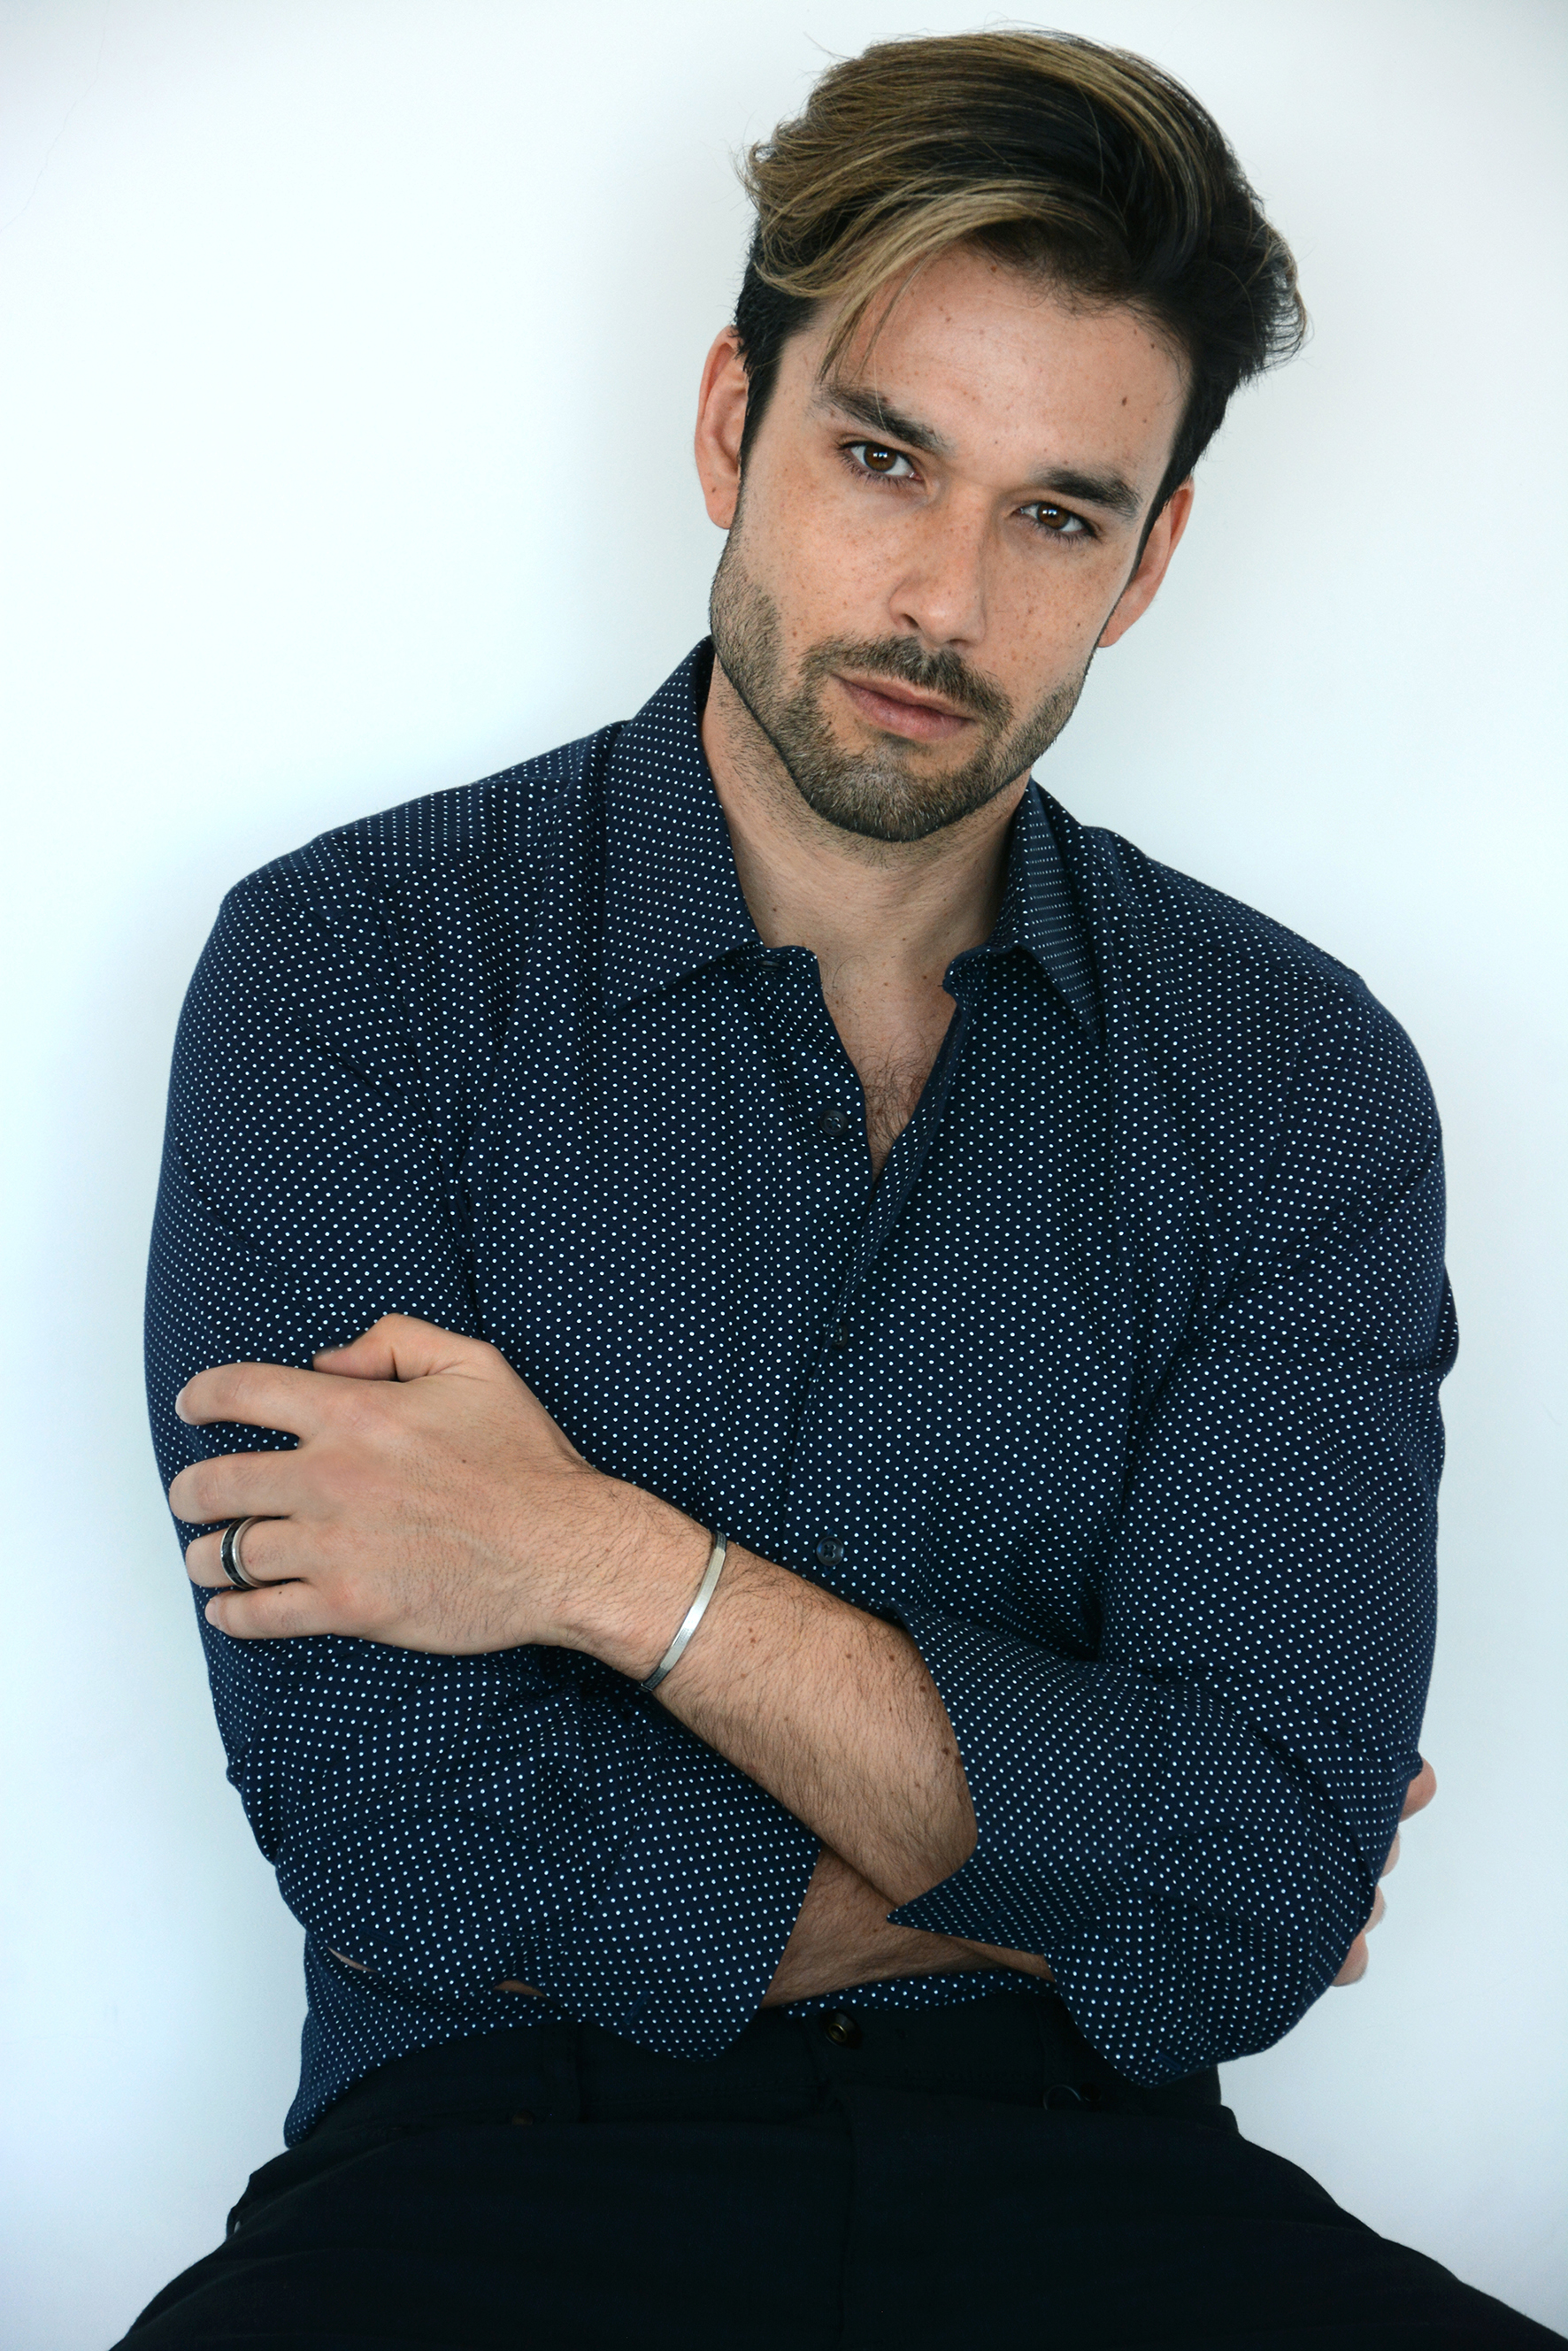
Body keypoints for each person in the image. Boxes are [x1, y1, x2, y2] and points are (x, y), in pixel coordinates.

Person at [124, 28, 1557, 2348]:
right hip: (486, 2169)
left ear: (1150, 557)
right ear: (731, 423)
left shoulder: (1294, 1079)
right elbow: (405, 1835)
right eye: (882, 458)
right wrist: (1108, 1863)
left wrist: (603, 1567)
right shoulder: (356, 970)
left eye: (1057, 514)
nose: (941, 603)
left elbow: (1256, 1898)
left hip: (1100, 2183)